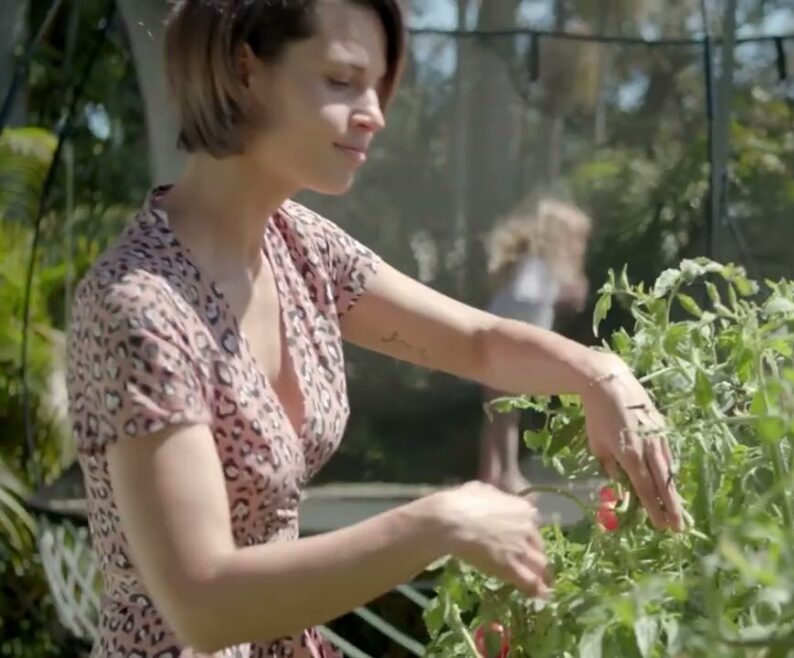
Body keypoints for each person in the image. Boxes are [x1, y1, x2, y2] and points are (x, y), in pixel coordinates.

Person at [63, 1, 684, 656]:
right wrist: (442, 520)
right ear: (245, 68)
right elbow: (203, 603)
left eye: (377, 86)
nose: (375, 113)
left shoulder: (298, 246)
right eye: (341, 80)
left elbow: (477, 343)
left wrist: (599, 373)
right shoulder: (139, 308)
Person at [479, 197, 593, 494]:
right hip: (506, 348)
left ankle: (491, 475)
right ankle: (507, 475)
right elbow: (525, 298)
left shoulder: (539, 266)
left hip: (501, 347)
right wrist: (562, 292)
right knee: (505, 414)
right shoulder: (536, 265)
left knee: (499, 414)